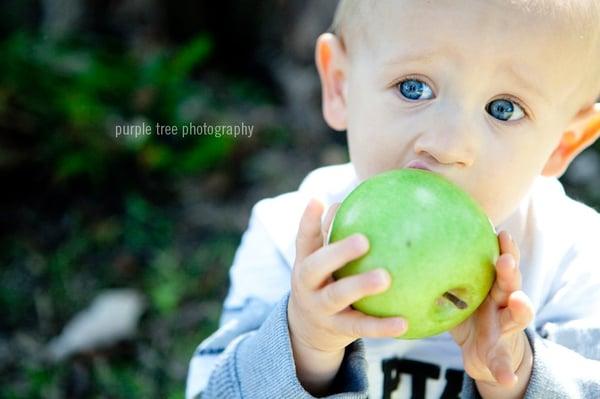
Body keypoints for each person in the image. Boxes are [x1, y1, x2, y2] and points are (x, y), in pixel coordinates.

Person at [186, 1, 600, 397]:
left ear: (562, 142)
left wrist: (518, 376)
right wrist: (304, 346)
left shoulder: (573, 261)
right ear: (340, 85)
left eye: (505, 108)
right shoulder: (290, 241)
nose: (448, 145)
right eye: (414, 87)